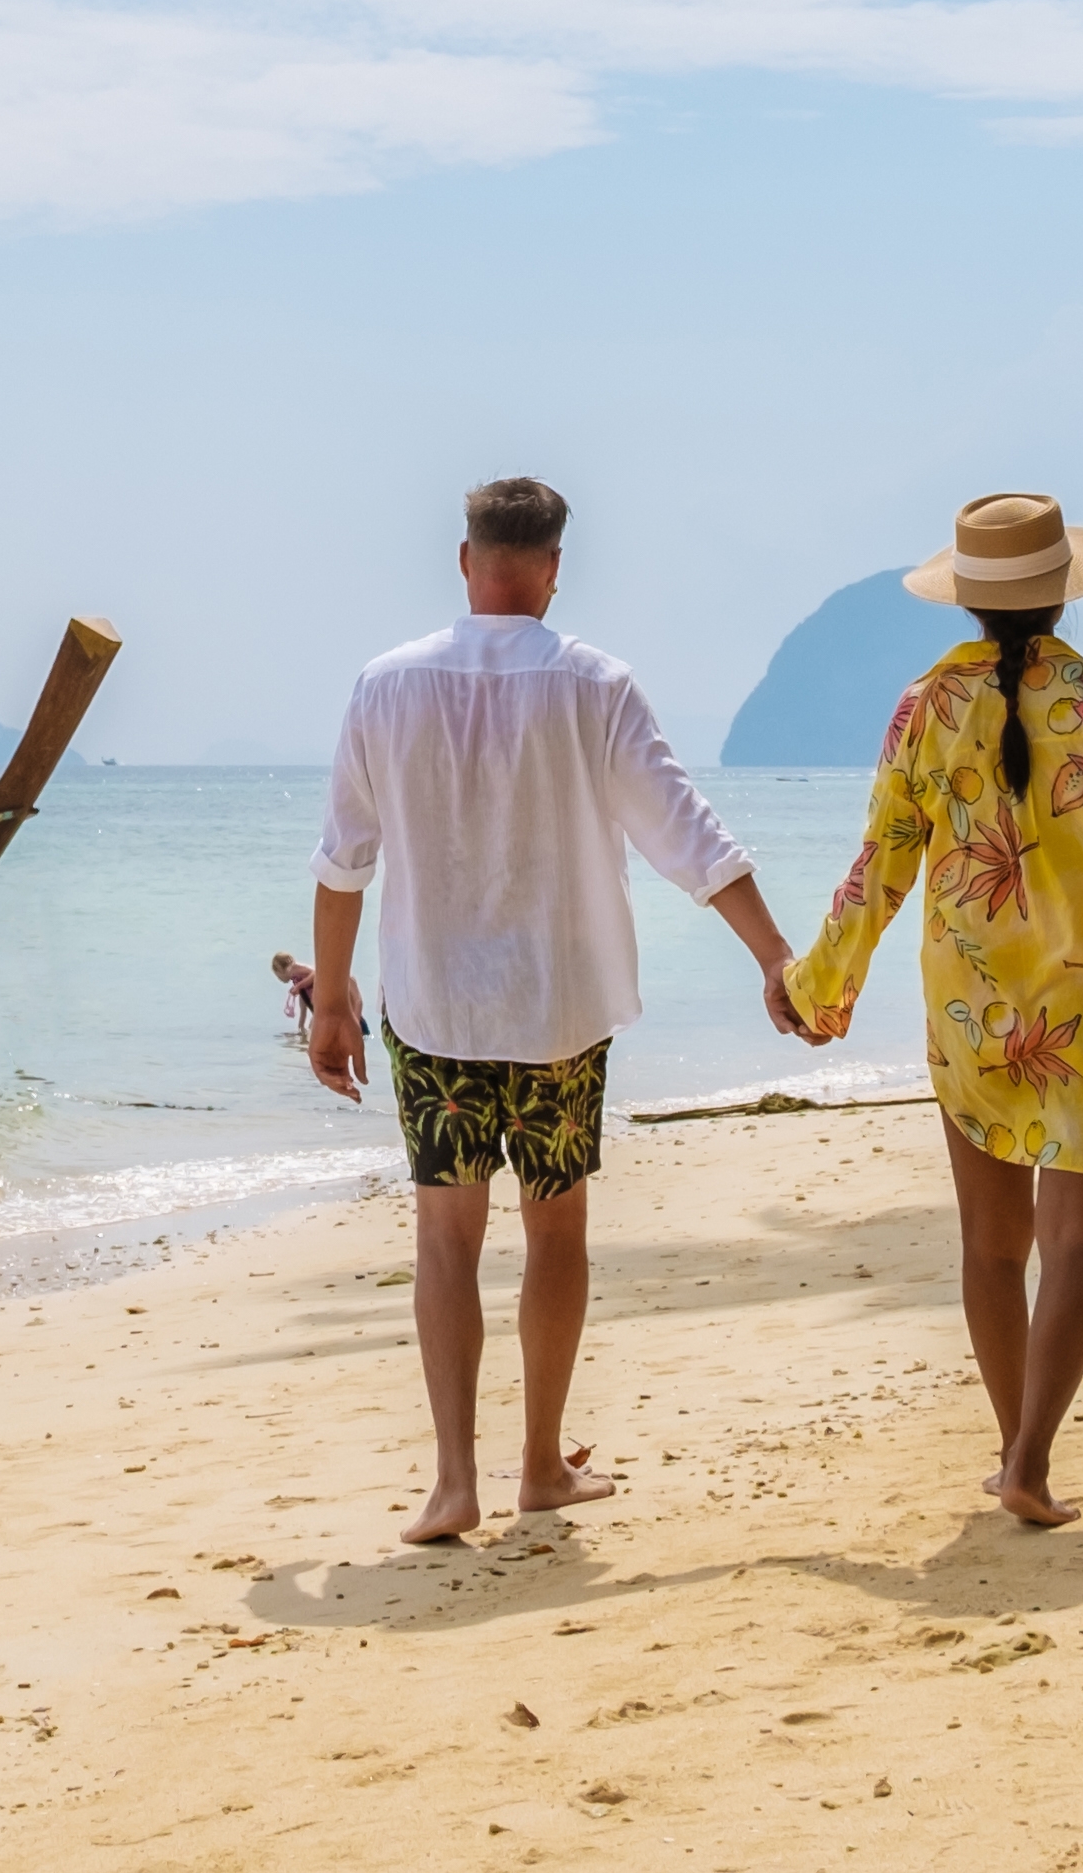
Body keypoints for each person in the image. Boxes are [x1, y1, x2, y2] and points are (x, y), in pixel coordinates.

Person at [304, 473, 824, 1545]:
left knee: (446, 1237)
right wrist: (775, 956)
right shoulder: (594, 683)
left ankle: (454, 1483)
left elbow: (343, 861)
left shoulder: (385, 686)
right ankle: (540, 1465)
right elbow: (685, 832)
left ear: (464, 561)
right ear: (551, 569)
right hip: (556, 1012)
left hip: (437, 1007)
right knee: (556, 1226)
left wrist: (334, 1000)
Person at [789, 490, 1083, 1530]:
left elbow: (882, 865)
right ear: (1064, 592)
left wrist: (820, 987)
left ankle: (1010, 1453)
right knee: (1078, 1243)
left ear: (970, 603)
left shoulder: (926, 707)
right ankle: (1032, 1458)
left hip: (974, 999)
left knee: (993, 1246)